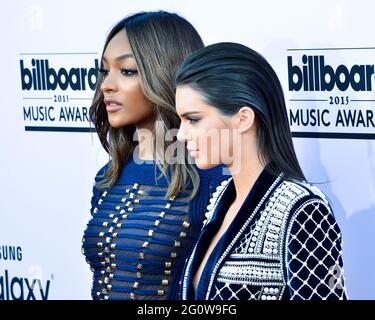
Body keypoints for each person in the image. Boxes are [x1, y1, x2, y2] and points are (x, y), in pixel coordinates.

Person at [175, 42, 347, 300]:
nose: (181, 134)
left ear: (243, 118)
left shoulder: (302, 209)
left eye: (193, 119)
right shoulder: (222, 197)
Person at [81, 11, 226, 300]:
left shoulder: (212, 179)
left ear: (166, 74)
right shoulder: (109, 176)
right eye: (104, 71)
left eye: (127, 71)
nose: (107, 85)